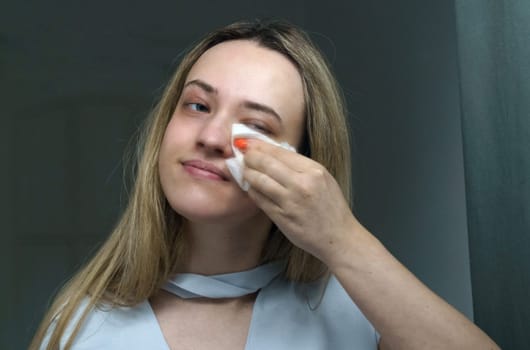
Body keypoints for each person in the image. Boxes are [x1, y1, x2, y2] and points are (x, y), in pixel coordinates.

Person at [30, 19, 499, 350]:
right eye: (197, 106)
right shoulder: (79, 327)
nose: (211, 138)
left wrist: (342, 239)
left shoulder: (355, 318)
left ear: (303, 166)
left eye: (254, 125)